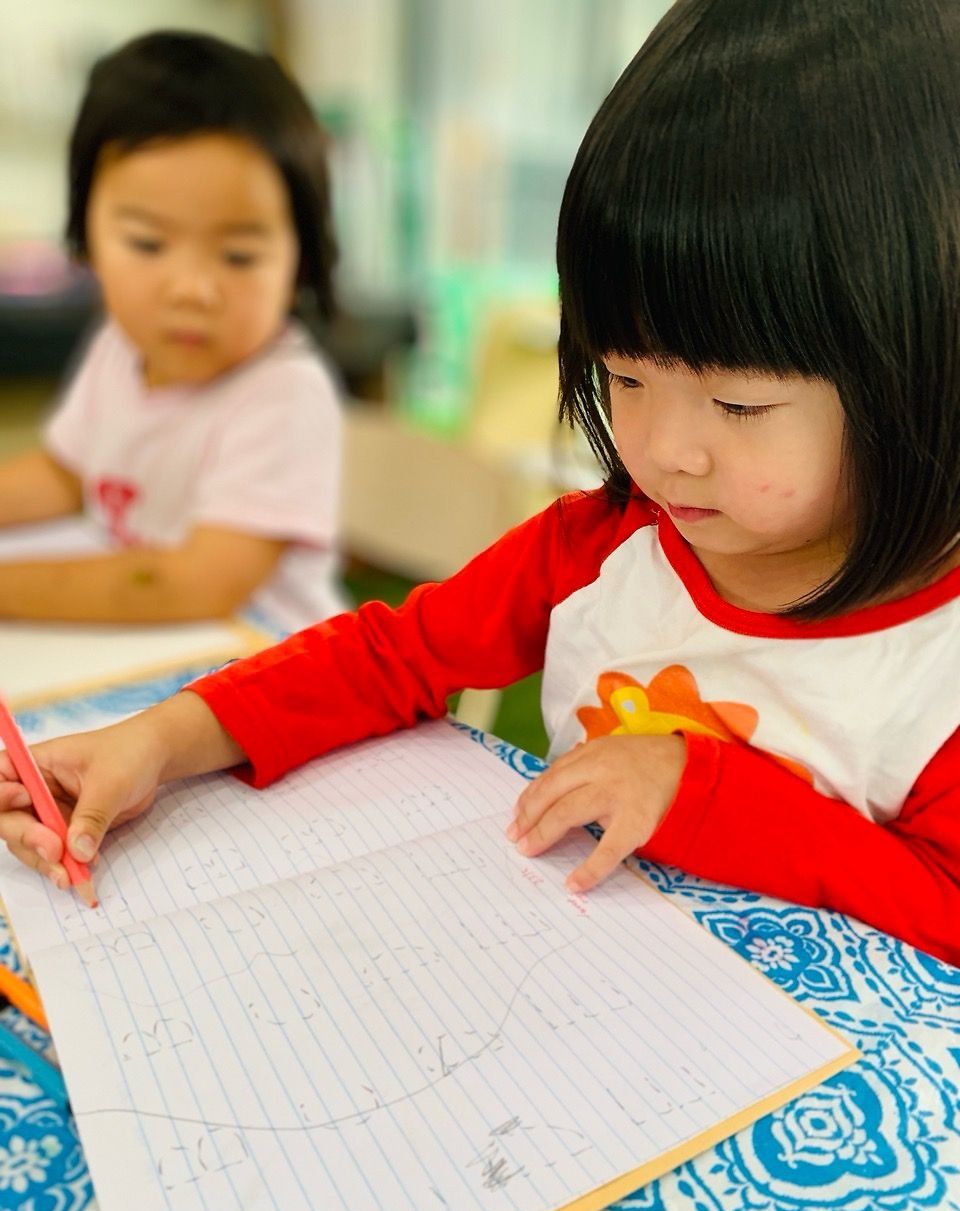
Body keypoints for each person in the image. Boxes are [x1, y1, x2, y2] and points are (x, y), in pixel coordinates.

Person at [2, 0, 959, 968]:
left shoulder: (934, 668)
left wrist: (695, 786)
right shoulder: (607, 545)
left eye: (740, 406)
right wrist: (163, 740)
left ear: (921, 370)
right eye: (625, 378)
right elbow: (392, 657)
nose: (664, 450)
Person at [0, 31, 345, 631]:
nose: (191, 288)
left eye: (238, 256)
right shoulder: (119, 348)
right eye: (148, 243)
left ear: (302, 262)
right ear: (86, 238)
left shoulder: (285, 395)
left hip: (264, 668)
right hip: (152, 653)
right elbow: (64, 473)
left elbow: (193, 582)